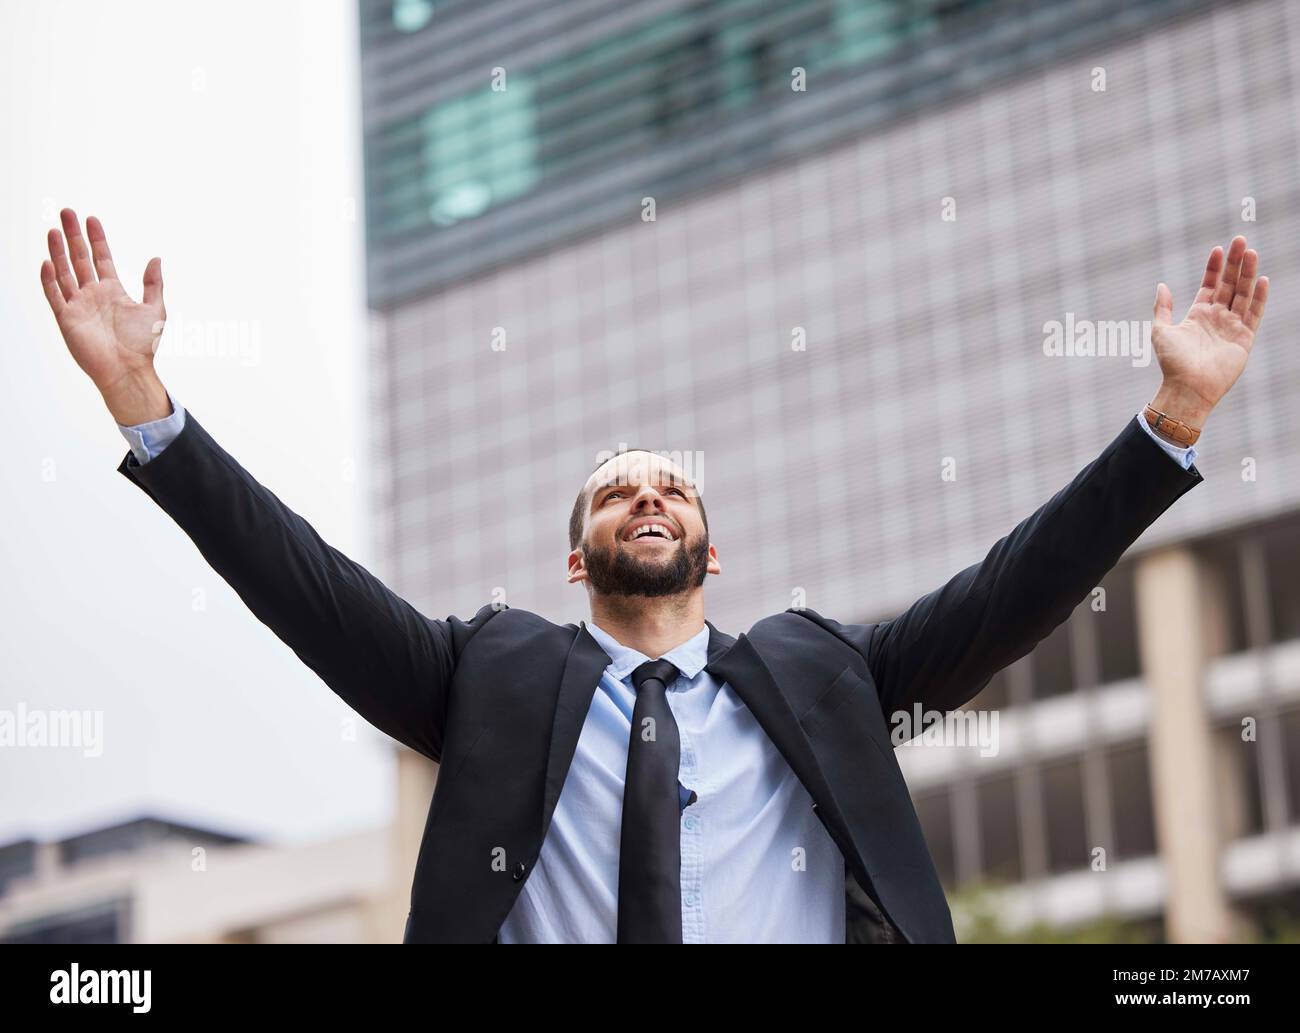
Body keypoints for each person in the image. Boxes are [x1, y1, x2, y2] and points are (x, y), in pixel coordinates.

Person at [39, 208, 1268, 943]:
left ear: (710, 550)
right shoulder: (488, 675)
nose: (648, 493)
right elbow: (298, 580)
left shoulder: (825, 670)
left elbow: (1015, 588)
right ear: (576, 556)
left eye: (672, 486)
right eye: (617, 488)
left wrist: (1167, 420)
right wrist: (145, 406)